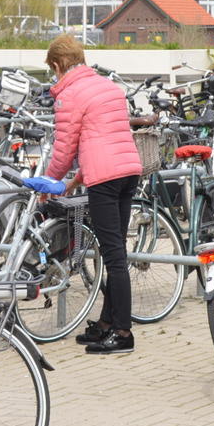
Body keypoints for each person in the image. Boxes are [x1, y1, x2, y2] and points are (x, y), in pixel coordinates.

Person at [43, 35, 143, 354]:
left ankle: (123, 333)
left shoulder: (69, 95)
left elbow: (64, 149)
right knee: (116, 250)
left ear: (57, 65)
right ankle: (106, 323)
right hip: (128, 171)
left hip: (105, 179)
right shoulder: (109, 87)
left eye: (53, 69)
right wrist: (75, 181)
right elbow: (102, 140)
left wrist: (49, 182)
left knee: (113, 256)